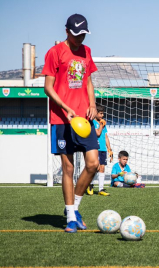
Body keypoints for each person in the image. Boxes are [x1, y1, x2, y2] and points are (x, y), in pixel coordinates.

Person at [42, 14, 99, 233]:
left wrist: (92, 103)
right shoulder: (54, 53)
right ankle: (71, 218)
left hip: (84, 120)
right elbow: (48, 87)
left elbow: (89, 81)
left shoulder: (87, 52)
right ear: (67, 31)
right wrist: (65, 107)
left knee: (93, 163)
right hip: (62, 119)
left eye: (83, 34)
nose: (80, 39)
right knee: (68, 167)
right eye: (76, 34)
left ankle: (74, 208)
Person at [86, 104, 113, 196]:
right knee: (95, 167)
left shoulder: (103, 123)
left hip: (103, 149)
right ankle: (90, 185)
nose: (102, 115)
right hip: (95, 148)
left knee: (102, 168)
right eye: (100, 113)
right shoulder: (92, 122)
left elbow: (105, 136)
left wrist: (109, 149)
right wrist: (101, 125)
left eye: (103, 113)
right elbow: (97, 134)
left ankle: (101, 189)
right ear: (95, 113)